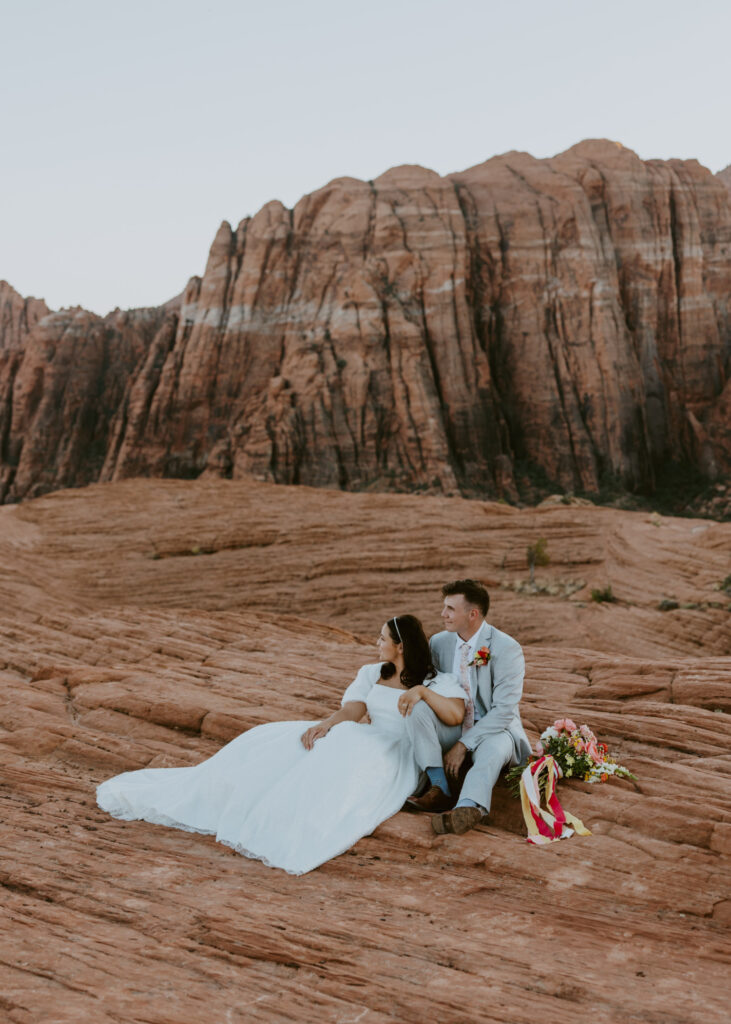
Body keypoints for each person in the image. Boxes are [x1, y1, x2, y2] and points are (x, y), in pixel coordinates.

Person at [96, 614, 466, 874]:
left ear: (400, 646)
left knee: (344, 761)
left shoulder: (434, 680)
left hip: (393, 748)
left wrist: (420, 693)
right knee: (276, 741)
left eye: (382, 638)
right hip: (360, 732)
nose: (376, 643)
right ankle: (236, 798)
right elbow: (355, 706)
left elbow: (453, 714)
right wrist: (328, 724)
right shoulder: (373, 672)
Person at [404, 579, 531, 836]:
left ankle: (468, 807)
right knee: (418, 710)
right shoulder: (439, 643)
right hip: (453, 724)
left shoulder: (506, 648)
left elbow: (504, 711)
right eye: (444, 607)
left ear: (472, 614)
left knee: (492, 751)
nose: (443, 614)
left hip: (494, 729)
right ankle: (439, 788)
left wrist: (464, 745)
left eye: (450, 608)